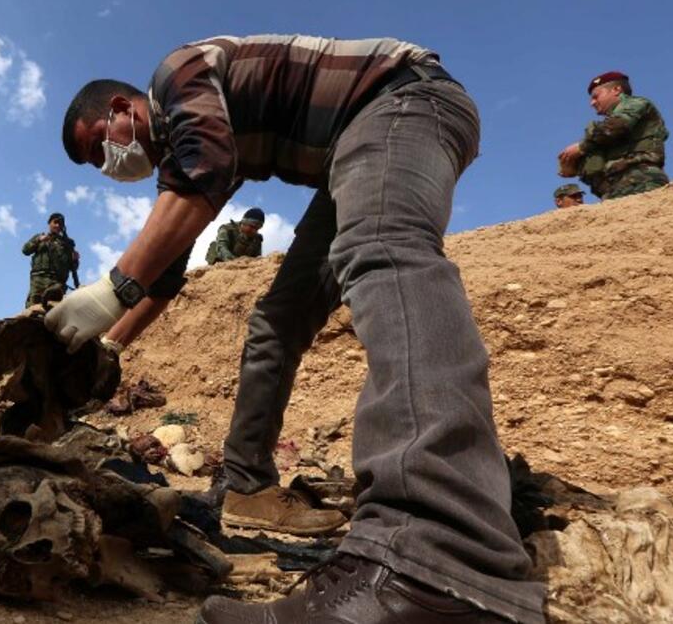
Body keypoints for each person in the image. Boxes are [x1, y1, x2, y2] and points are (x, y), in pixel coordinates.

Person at [52, 35, 545, 624]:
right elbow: (163, 275)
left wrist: (110, 290)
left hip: (403, 101)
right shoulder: (192, 149)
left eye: (97, 147)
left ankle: (441, 556)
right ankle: (247, 485)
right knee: (277, 322)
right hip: (352, 146)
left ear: (120, 111)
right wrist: (101, 346)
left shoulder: (178, 76)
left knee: (382, 248)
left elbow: (202, 175)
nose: (107, 165)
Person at [558, 71, 668, 200]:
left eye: (596, 96)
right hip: (615, 187)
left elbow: (616, 127)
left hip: (640, 180)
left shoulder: (635, 103)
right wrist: (572, 165)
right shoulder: (600, 134)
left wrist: (581, 147)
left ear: (616, 90)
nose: (592, 103)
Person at [22, 212, 79, 307]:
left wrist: (75, 260)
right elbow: (25, 250)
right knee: (33, 311)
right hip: (38, 281)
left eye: (60, 224)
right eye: (55, 222)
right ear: (49, 223)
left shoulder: (66, 245)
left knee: (55, 313)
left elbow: (72, 268)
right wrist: (39, 240)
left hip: (56, 283)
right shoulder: (39, 237)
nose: (57, 225)